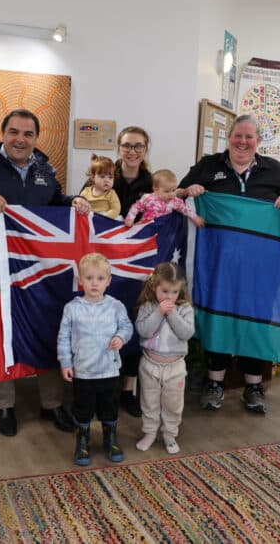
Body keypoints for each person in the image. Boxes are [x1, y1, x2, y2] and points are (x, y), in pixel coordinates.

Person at [0, 109, 89, 437]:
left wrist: (73, 201)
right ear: (3, 133)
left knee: (47, 328)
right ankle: (4, 405)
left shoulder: (45, 170)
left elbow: (53, 202)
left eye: (27, 134)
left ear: (36, 138)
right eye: (14, 132)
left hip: (38, 269)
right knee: (2, 334)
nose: (20, 139)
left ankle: (51, 404)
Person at [179, 114, 280, 414]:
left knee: (255, 323)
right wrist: (189, 192)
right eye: (238, 136)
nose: (243, 142)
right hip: (219, 263)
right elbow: (177, 196)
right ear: (229, 138)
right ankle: (215, 383)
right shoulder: (208, 166)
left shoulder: (275, 172)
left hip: (262, 268)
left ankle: (254, 386)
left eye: (249, 137)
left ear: (258, 141)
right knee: (219, 319)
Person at [57, 253, 133, 466]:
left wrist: (120, 337)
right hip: (83, 371)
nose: (94, 283)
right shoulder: (72, 308)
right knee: (83, 407)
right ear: (80, 280)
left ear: (108, 281)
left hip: (109, 370)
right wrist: (66, 362)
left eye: (100, 279)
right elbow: (63, 337)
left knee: (109, 405)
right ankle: (82, 440)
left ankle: (110, 438)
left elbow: (127, 326)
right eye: (89, 278)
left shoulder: (115, 306)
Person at [109, 126, 154, 419]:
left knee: (135, 324)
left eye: (138, 146)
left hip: (137, 265)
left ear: (146, 149)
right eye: (127, 145)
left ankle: (128, 390)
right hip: (107, 264)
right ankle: (104, 386)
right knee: (107, 323)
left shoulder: (152, 183)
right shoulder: (102, 176)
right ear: (119, 147)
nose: (132, 151)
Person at [134, 262, 194, 455]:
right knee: (149, 401)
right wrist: (159, 313)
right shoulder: (147, 307)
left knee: (173, 404)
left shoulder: (184, 309)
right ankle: (150, 433)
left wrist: (172, 313)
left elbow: (186, 333)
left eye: (174, 292)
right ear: (154, 287)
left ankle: (169, 435)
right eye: (165, 291)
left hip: (175, 367)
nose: (169, 297)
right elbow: (143, 331)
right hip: (150, 364)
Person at [124, 169, 204, 228]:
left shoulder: (175, 201)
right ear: (155, 189)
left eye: (173, 190)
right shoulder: (148, 198)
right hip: (146, 226)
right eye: (167, 191)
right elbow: (136, 207)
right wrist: (130, 218)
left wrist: (195, 217)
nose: (171, 194)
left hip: (163, 229)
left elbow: (185, 209)